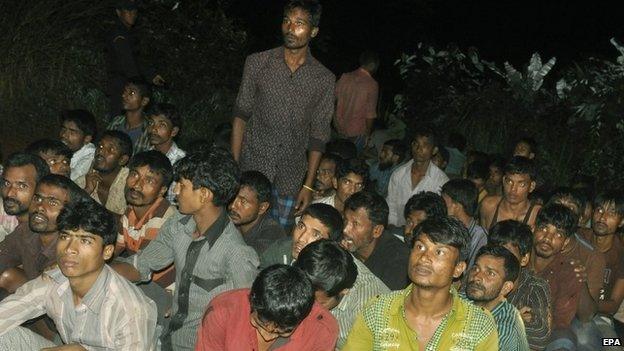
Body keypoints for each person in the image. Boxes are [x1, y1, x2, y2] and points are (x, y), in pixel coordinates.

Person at [112, 149, 259, 350]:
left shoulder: (237, 253)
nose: (176, 192)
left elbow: (247, 317)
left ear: (204, 195)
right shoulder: (178, 225)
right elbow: (142, 265)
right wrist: (97, 272)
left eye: (182, 186)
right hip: (168, 335)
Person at [0, 199, 157, 349]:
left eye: (85, 241)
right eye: (65, 236)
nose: (70, 249)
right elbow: (5, 314)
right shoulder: (54, 281)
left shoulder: (130, 309)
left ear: (107, 251)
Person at [231, 0, 335, 228]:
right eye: (287, 21)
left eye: (299, 23)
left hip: (290, 175)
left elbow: (318, 136)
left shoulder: (324, 79)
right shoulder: (258, 63)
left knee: (278, 239)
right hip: (252, 166)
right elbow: (241, 115)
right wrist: (234, 163)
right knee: (239, 228)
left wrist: (308, 186)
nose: (290, 28)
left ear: (314, 31)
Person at [343, 216, 498, 350]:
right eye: (420, 246)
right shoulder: (377, 311)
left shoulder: (478, 325)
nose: (423, 258)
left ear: (458, 268)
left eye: (439, 252)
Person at [195, 264, 338, 350]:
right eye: (259, 323)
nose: (267, 335)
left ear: (302, 317)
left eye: (281, 331)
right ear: (252, 301)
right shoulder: (222, 313)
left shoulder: (322, 330)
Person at [0, 174, 87, 300]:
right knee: (10, 276)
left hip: (60, 309)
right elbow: (3, 255)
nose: (40, 207)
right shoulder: (26, 231)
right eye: (37, 199)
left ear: (70, 212)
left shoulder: (72, 249)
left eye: (53, 202)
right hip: (34, 295)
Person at [294, 239, 389, 349]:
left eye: (318, 304)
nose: (309, 308)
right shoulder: (317, 264)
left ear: (344, 290)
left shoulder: (368, 308)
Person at [528, 204, 596, 350]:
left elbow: (562, 322)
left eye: (558, 234)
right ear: (533, 229)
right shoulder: (517, 258)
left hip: (549, 334)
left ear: (565, 243)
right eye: (544, 228)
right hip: (509, 326)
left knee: (567, 340)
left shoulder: (568, 270)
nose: (547, 238)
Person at [489, 220, 552, 350]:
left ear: (524, 259)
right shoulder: (479, 277)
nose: (498, 260)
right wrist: (514, 319)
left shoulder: (535, 287)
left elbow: (540, 337)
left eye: (507, 255)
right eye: (494, 252)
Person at [105, 0, 164, 116]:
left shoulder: (128, 33)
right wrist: (140, 84)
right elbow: (127, 62)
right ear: (118, 12)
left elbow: (136, 60)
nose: (132, 14)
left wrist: (151, 76)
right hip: (122, 85)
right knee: (119, 121)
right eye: (128, 11)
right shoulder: (119, 34)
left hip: (128, 84)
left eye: (134, 11)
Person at [341, 191, 410, 290]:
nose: (345, 230)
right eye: (345, 220)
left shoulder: (398, 262)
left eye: (355, 224)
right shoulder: (342, 242)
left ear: (377, 231)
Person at [465, 245, 529, 351]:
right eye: (476, 268)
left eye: (490, 273)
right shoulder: (462, 299)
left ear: (506, 287)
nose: (477, 277)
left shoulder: (505, 325)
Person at [579, 191, 624, 339]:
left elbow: (613, 305)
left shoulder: (621, 254)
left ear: (621, 221)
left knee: (614, 346)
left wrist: (587, 305)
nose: (602, 217)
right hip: (564, 310)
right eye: (599, 210)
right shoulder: (578, 237)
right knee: (582, 341)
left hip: (600, 317)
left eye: (611, 213)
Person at [386, 125, 449, 226]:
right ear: (412, 145)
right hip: (397, 230)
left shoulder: (441, 181)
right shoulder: (398, 174)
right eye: (416, 144)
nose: (419, 149)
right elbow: (391, 205)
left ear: (434, 150)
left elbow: (440, 217)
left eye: (425, 145)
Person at [261, 203, 343, 267]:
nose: (301, 238)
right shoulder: (282, 248)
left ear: (330, 244)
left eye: (315, 235)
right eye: (301, 226)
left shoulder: (326, 274)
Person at [229, 171, 285, 255]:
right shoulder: (230, 219)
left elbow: (244, 260)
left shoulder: (272, 234)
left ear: (262, 208)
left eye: (243, 201)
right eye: (233, 197)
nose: (233, 206)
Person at [76, 130, 132, 215]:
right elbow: (67, 210)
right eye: (100, 146)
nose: (100, 151)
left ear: (122, 160)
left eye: (110, 149)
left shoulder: (131, 183)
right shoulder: (85, 181)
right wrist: (87, 191)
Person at [334, 51, 379, 151]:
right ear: (373, 65)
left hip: (339, 127)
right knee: (352, 157)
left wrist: (335, 121)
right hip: (357, 130)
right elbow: (370, 113)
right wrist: (368, 133)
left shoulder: (345, 77)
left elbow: (333, 100)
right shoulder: (371, 84)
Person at [480, 156, 541, 230]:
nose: (513, 189)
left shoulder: (537, 215)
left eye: (521, 184)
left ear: (531, 186)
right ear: (503, 180)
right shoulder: (488, 206)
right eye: (509, 182)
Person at [0, 153, 50, 242]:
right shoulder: (4, 210)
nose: (9, 193)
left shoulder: (48, 233)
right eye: (7, 184)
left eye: (22, 186)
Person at [442, 179, 487, 269]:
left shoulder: (481, 238)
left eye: (444, 201)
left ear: (456, 205)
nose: (441, 204)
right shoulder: (446, 228)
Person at [107, 78, 152, 155]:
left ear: (144, 101)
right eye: (125, 91)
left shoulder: (150, 130)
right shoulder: (116, 122)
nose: (124, 95)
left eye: (131, 93)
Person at [59, 109, 97, 181]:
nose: (64, 135)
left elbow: (68, 180)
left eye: (72, 132)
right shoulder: (60, 149)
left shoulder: (90, 157)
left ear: (87, 139)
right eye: (63, 129)